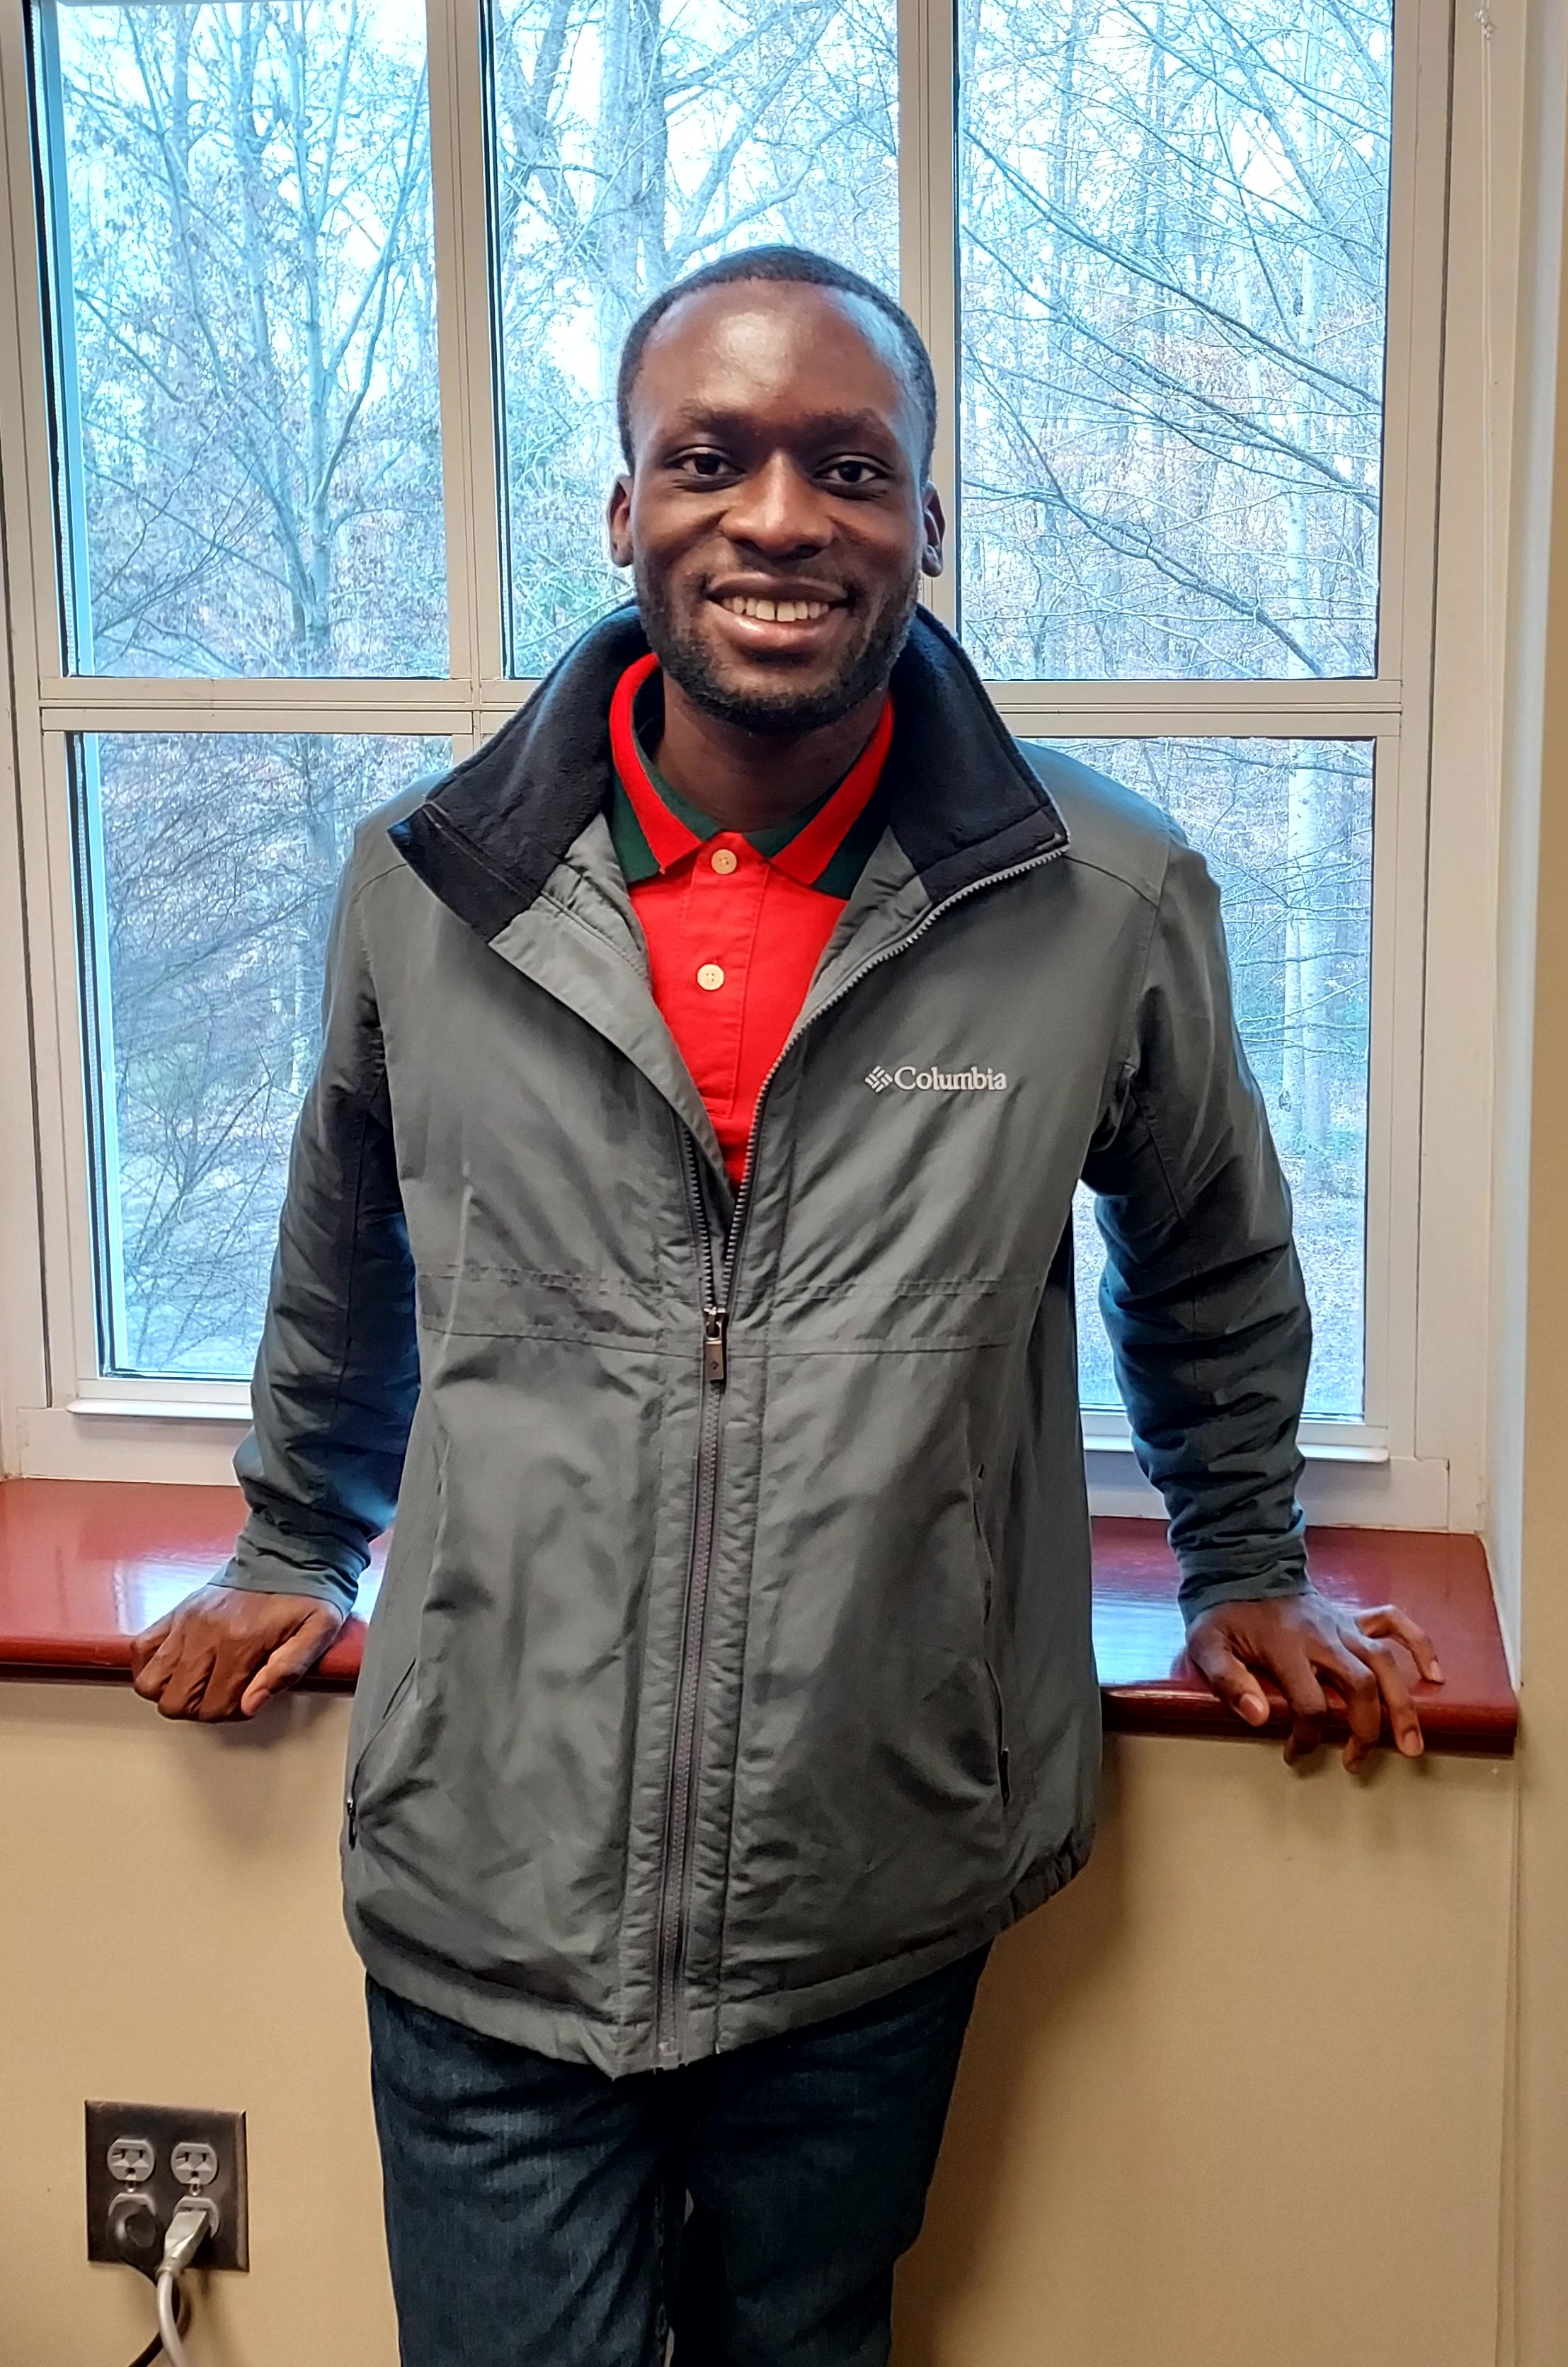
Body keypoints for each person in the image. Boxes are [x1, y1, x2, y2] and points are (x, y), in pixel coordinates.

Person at [131, 246, 1443, 2367]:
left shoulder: (1101, 897)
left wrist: (1249, 1561)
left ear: (932, 522)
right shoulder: (426, 881)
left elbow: (1207, 1249)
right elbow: (345, 1254)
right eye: (709, 458)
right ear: (624, 505)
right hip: (486, 1883)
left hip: (874, 1878)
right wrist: (295, 1532)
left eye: (851, 466)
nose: (778, 517)